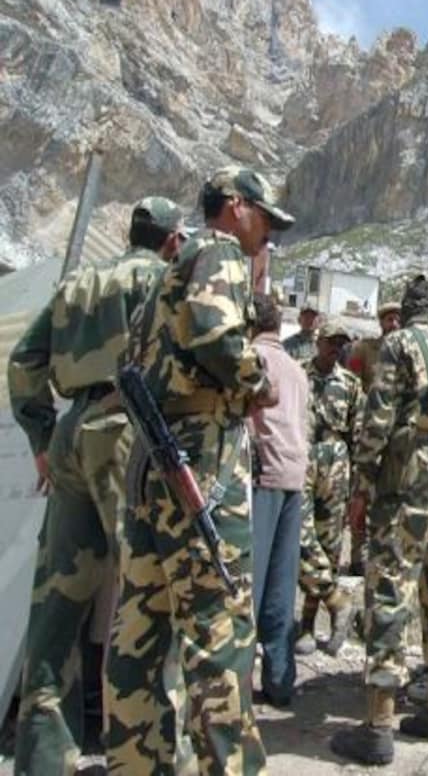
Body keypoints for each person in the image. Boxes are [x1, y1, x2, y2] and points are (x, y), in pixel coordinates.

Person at [107, 167, 291, 774]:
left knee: (139, 631)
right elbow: (215, 334)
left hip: (153, 461)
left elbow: (131, 357)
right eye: (264, 220)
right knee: (218, 631)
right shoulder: (221, 253)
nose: (266, 237)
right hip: (203, 461)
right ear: (235, 207)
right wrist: (258, 384)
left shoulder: (169, 273)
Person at [7, 197, 185, 775]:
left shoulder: (80, 284)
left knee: (57, 603)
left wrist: (39, 435)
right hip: (127, 435)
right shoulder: (163, 281)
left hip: (71, 434)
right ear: (172, 241)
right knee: (148, 594)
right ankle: (150, 751)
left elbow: (25, 360)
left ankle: (43, 756)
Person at [332, 275, 428, 763]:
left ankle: (378, 725)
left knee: (391, 583)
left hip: (407, 471)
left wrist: (362, 484)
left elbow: (375, 422)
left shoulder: (396, 345)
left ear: (407, 309)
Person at [247, 294, 310, 707]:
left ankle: (232, 683)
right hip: (294, 474)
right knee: (282, 582)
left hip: (263, 473)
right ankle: (279, 678)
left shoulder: (252, 359)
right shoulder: (297, 370)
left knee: (247, 580)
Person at [295, 320, 362, 656]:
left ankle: (310, 624)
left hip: (335, 462)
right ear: (318, 342)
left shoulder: (349, 384)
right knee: (301, 540)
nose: (336, 349)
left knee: (329, 544)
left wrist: (358, 487)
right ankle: (335, 602)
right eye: (331, 342)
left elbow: (358, 433)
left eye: (341, 344)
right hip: (303, 458)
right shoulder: (299, 375)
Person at [344, 300, 405, 576]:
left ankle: (386, 557)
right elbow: (350, 383)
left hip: (396, 436)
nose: (392, 323)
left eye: (396, 319)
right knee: (361, 492)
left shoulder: (408, 352)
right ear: (380, 322)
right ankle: (358, 556)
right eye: (388, 319)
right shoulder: (365, 349)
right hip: (367, 431)